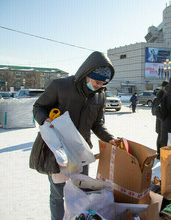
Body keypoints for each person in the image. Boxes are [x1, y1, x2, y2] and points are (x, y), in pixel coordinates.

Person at [33, 51, 117, 220]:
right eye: (97, 81)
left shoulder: (99, 95)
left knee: (80, 191)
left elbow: (97, 123)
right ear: (87, 74)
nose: (99, 85)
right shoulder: (60, 86)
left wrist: (109, 138)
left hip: (81, 152)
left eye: (103, 83)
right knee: (58, 193)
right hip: (59, 152)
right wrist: (45, 119)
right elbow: (38, 107)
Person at [152, 80, 169, 158]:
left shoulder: (160, 94)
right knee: (161, 136)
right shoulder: (162, 95)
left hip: (159, 118)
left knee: (160, 136)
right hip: (161, 118)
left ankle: (159, 152)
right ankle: (159, 152)